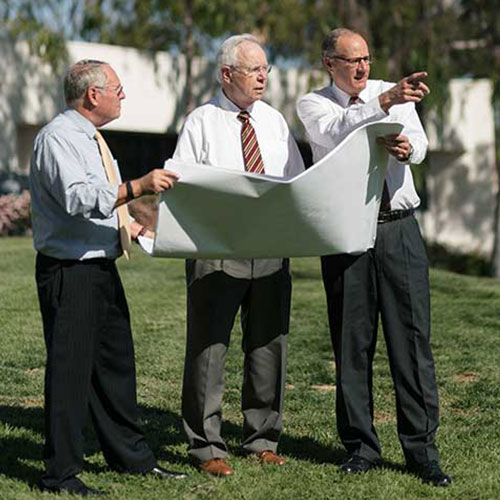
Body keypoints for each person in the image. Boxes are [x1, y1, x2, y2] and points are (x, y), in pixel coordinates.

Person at [296, 28, 451, 487]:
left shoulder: (391, 92)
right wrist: (383, 106)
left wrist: (408, 148)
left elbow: (419, 144)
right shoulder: (314, 104)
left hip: (399, 230)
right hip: (345, 235)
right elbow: (336, 132)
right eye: (353, 60)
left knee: (412, 342)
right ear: (330, 64)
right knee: (351, 343)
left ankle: (422, 452)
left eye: (367, 58)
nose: (364, 67)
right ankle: (360, 447)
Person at [30, 59, 186, 496]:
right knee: (70, 373)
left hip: (101, 267)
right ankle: (58, 474)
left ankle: (132, 460)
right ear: (93, 94)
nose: (123, 95)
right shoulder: (59, 138)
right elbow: (79, 198)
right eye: (117, 88)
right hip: (70, 272)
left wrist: (133, 227)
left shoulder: (92, 138)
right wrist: (139, 186)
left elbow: (102, 206)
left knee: (116, 368)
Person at [173, 34, 304, 477]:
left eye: (266, 68)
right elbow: (183, 183)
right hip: (218, 249)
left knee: (269, 345)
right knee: (209, 348)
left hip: (270, 248)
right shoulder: (201, 121)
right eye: (254, 69)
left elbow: (295, 182)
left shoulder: (274, 121)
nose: (263, 76)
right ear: (227, 74)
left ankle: (261, 438)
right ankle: (206, 446)